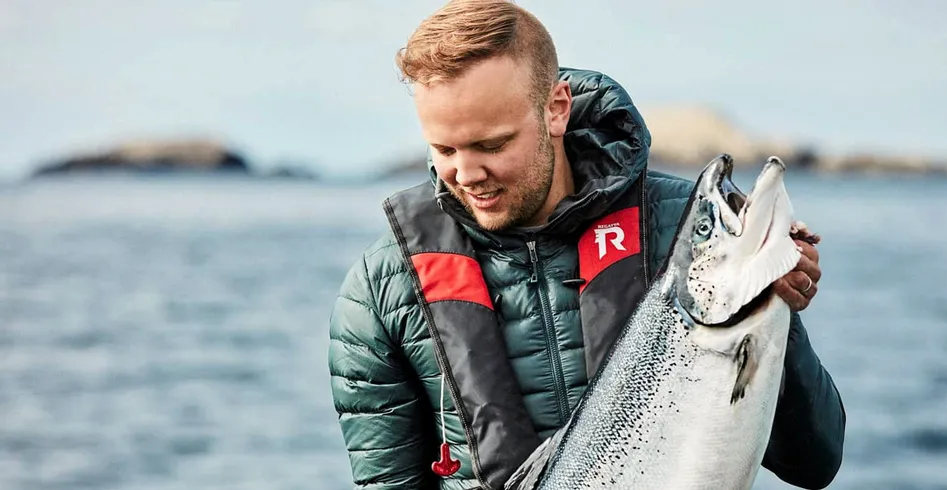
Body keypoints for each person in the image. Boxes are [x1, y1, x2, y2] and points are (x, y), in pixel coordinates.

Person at [327, 1, 846, 489]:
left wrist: (775, 307)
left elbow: (813, 462)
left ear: (556, 109)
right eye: (443, 148)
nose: (466, 173)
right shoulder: (381, 289)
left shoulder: (681, 231)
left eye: (492, 144)